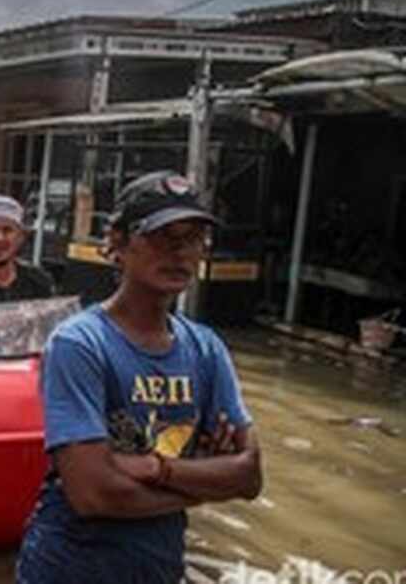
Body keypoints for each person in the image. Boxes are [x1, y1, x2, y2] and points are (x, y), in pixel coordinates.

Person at [16, 171, 263, 584]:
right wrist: (205, 479)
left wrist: (153, 468)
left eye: (193, 238)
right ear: (117, 242)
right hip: (73, 565)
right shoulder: (81, 344)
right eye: (162, 236)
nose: (179, 252)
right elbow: (93, 493)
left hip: (158, 564)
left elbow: (249, 475)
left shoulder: (206, 349)